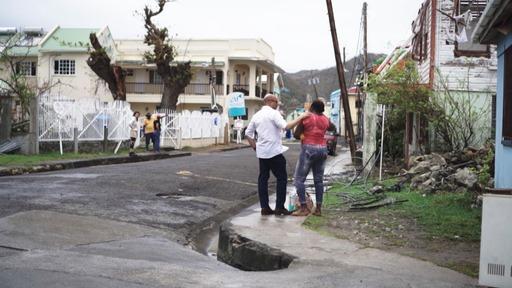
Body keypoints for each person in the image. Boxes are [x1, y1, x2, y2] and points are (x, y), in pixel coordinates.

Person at [245, 94, 310, 216]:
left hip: (262, 153)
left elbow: (248, 133)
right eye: (276, 102)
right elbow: (287, 126)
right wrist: (301, 117)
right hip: (274, 152)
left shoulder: (256, 115)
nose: (277, 104)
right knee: (281, 178)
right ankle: (279, 207)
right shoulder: (273, 113)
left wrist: (255, 147)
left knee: (263, 179)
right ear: (270, 101)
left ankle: (265, 208)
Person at [292, 99, 331, 217]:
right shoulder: (325, 119)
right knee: (318, 181)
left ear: (312, 108)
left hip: (309, 149)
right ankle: (318, 209)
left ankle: (303, 208)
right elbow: (332, 128)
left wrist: (305, 135)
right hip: (323, 149)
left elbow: (296, 134)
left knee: (299, 180)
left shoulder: (307, 117)